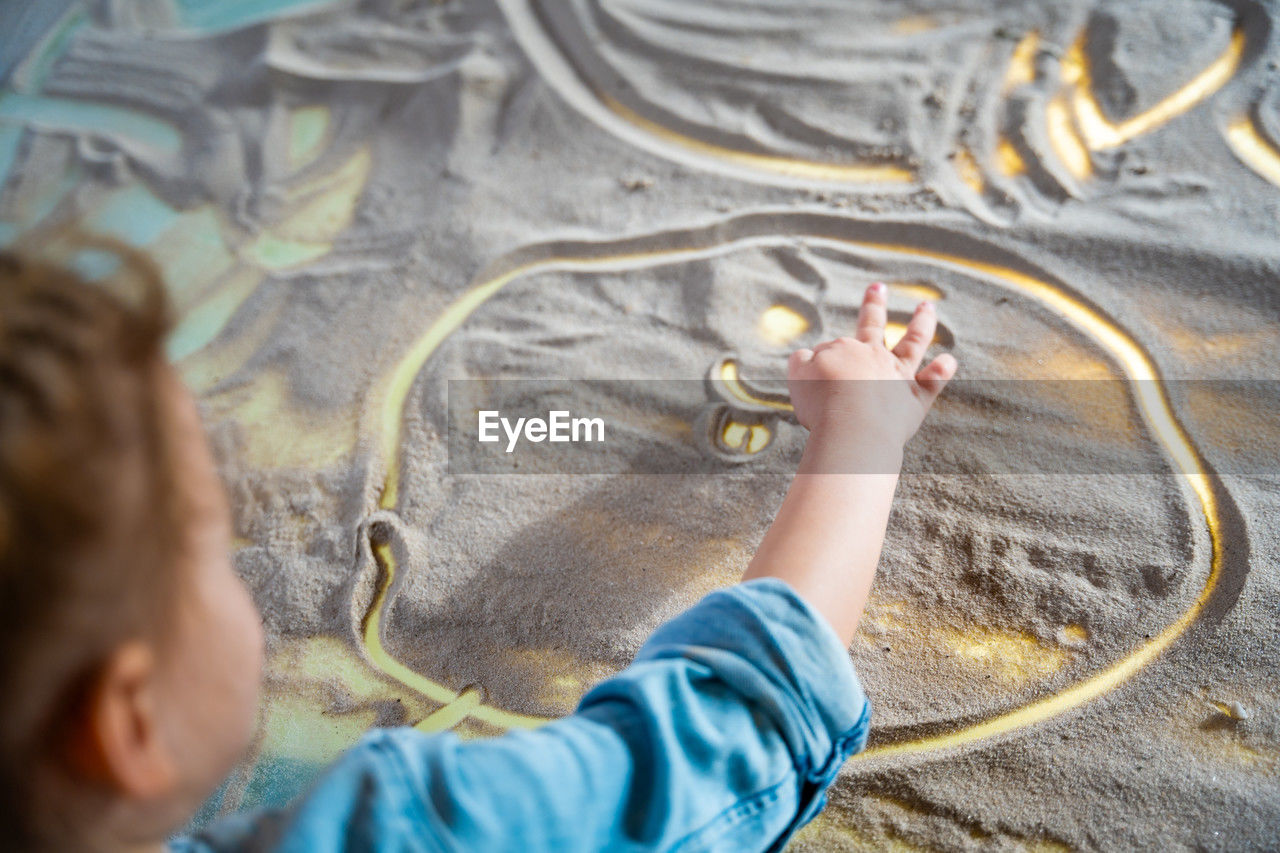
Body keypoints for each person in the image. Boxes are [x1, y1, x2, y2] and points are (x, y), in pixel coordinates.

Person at [0, 249, 955, 852]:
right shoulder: (405, 832)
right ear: (124, 724)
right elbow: (725, 740)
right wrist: (860, 438)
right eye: (207, 552)